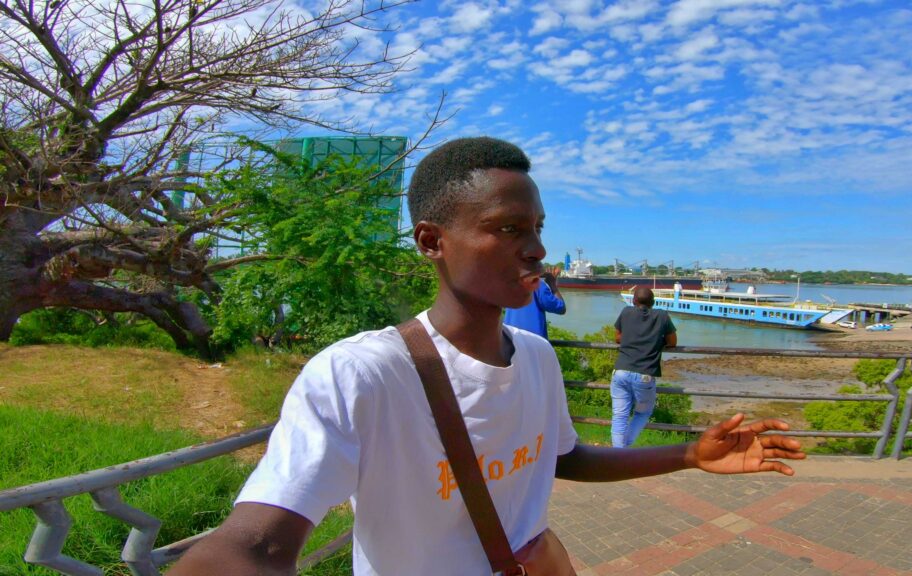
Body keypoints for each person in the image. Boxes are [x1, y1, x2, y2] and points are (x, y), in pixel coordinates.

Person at [167, 137, 805, 575]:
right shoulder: (362, 374)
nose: (534, 250)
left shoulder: (535, 357)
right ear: (431, 241)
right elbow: (259, 542)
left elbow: (565, 459)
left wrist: (691, 455)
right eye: (506, 228)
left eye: (537, 229)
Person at [611, 287, 677, 447]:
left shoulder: (626, 312)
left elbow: (618, 338)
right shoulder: (662, 315)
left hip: (620, 373)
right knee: (642, 412)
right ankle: (625, 448)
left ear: (634, 301)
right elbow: (673, 342)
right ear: (653, 302)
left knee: (619, 415)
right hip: (644, 377)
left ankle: (617, 454)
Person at [503, 270, 566, 339]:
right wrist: (552, 284)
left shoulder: (510, 283)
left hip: (510, 339)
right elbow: (561, 308)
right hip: (533, 341)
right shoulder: (538, 285)